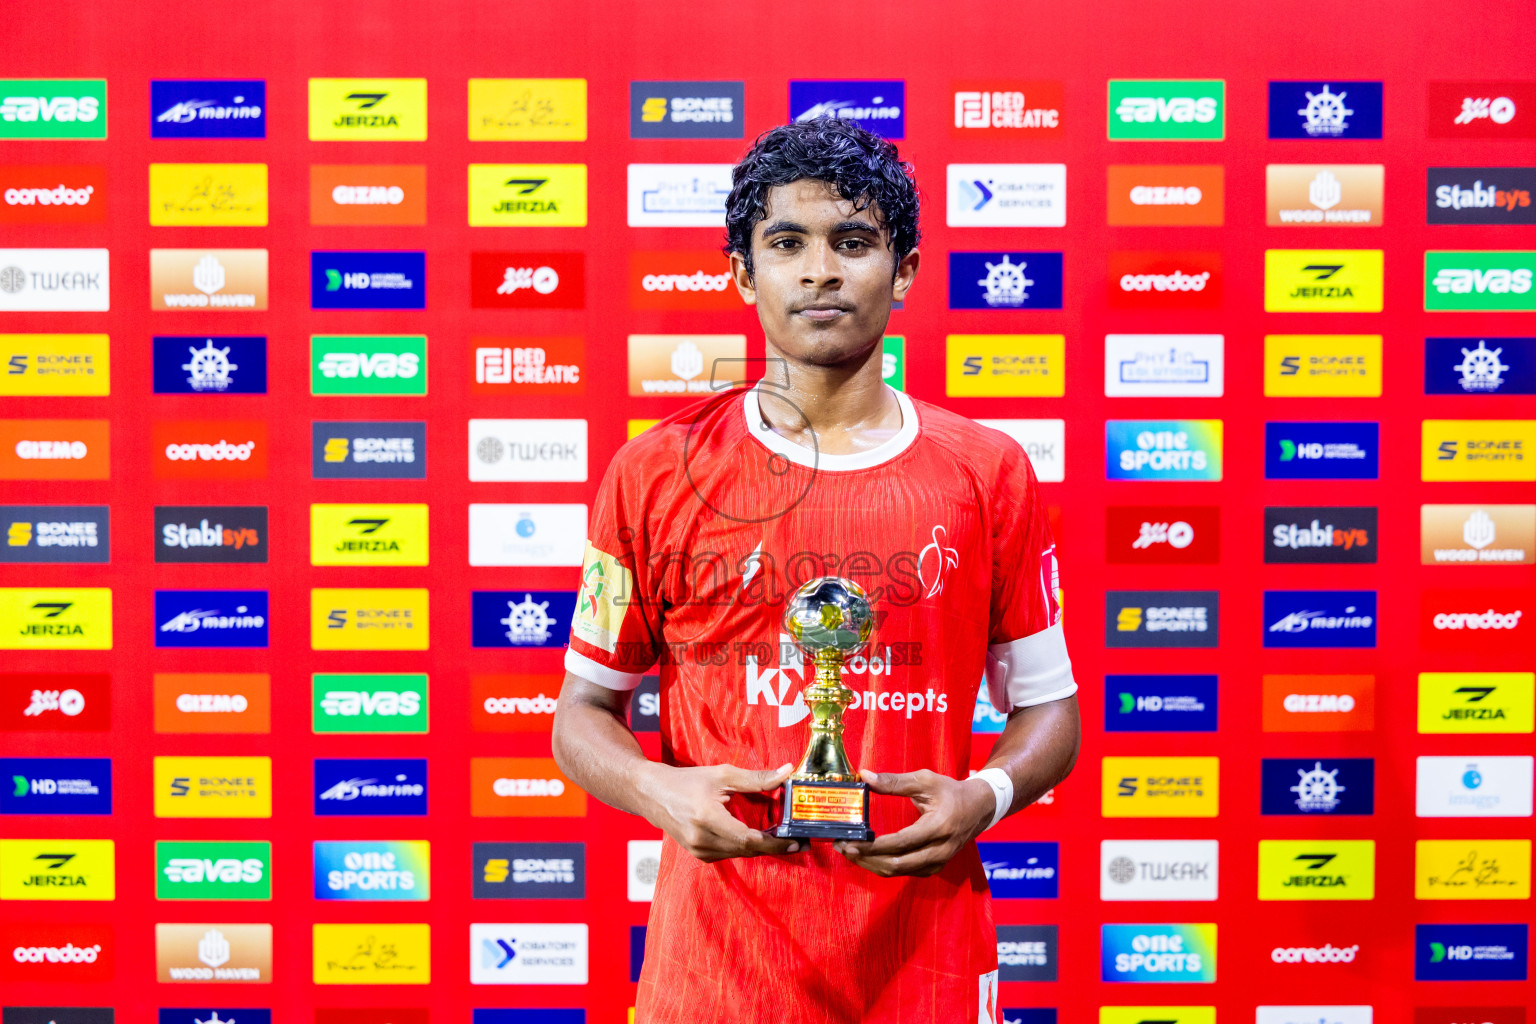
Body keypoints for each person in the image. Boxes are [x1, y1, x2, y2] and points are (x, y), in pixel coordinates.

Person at [552, 117, 1081, 1024]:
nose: (821, 270)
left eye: (854, 242)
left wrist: (982, 799)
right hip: (715, 971)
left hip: (927, 965)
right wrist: (659, 789)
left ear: (904, 269)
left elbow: (1051, 710)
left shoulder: (988, 470)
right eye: (787, 243)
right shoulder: (654, 471)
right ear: (743, 272)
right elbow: (581, 713)